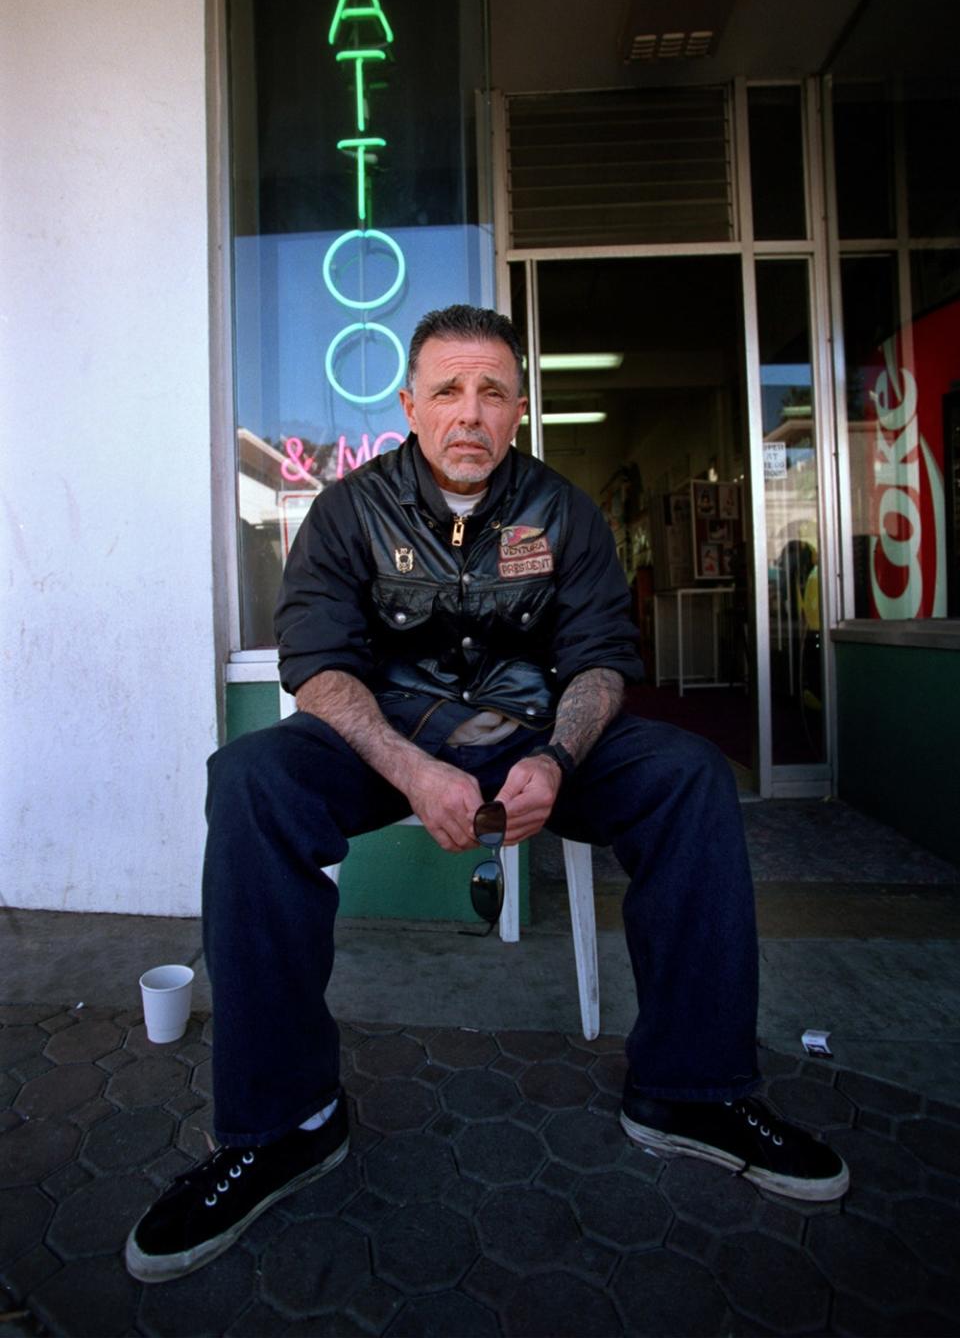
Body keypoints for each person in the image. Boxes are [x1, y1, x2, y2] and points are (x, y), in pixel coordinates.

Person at [125, 305, 848, 1284]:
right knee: (249, 779)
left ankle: (692, 1088)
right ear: (410, 405)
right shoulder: (345, 512)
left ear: (518, 409)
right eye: (449, 390)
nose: (470, 412)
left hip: (536, 739)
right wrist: (413, 769)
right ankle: (281, 1123)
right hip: (391, 739)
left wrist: (555, 756)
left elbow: (599, 662)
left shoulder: (565, 511)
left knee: (685, 775)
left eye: (493, 391)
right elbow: (319, 670)